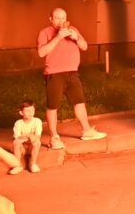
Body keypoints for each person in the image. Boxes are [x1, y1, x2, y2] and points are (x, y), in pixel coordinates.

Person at [37, 8, 106, 149]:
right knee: (53, 106)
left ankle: (87, 131)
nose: (61, 21)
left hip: (72, 73)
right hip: (55, 74)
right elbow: (41, 53)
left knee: (79, 102)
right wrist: (58, 37)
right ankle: (54, 137)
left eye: (63, 18)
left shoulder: (73, 30)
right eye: (57, 18)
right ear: (51, 19)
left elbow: (84, 46)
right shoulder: (45, 32)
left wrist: (77, 38)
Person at [11, 100, 43, 173]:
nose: (30, 113)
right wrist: (29, 136)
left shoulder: (37, 121)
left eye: (32, 110)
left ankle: (32, 164)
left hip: (31, 146)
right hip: (22, 147)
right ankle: (17, 165)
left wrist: (26, 137)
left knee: (37, 142)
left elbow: (37, 136)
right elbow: (17, 137)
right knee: (16, 142)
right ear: (21, 113)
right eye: (27, 111)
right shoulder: (18, 123)